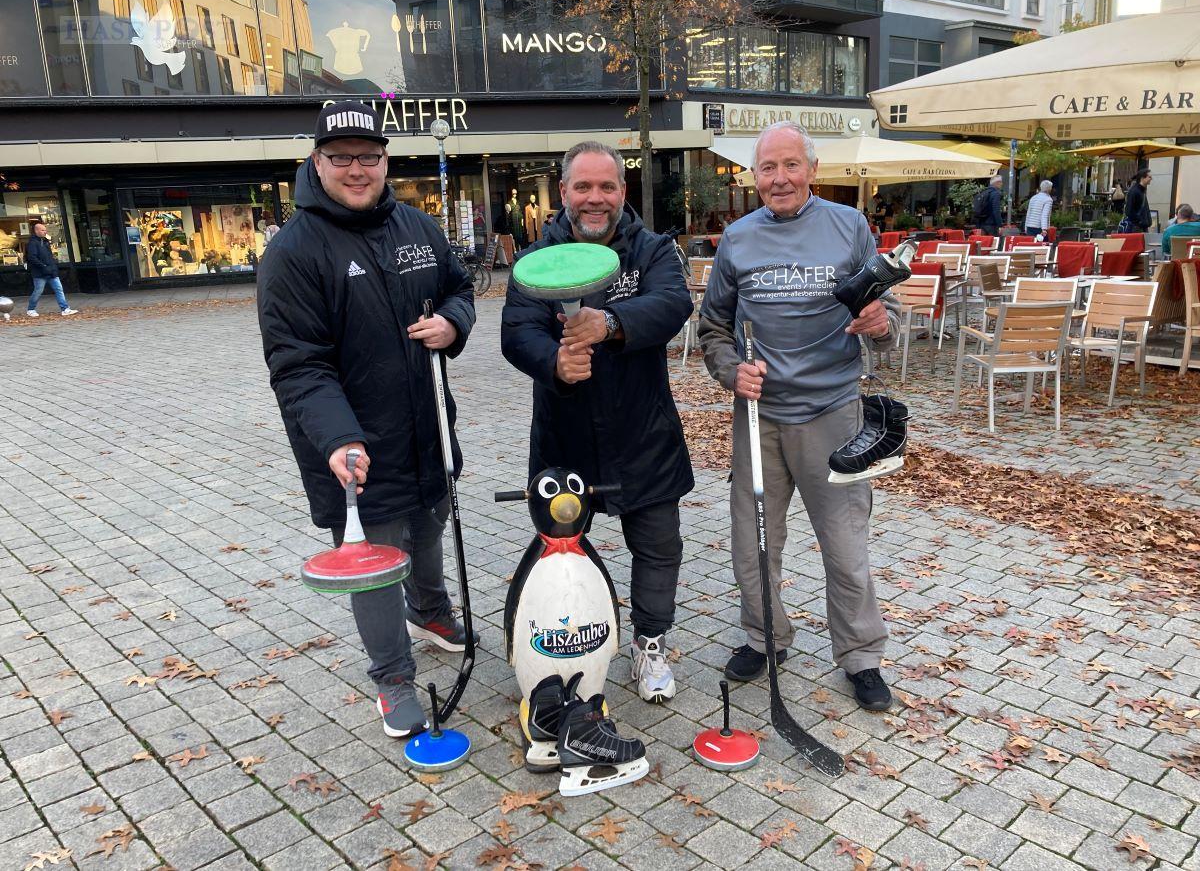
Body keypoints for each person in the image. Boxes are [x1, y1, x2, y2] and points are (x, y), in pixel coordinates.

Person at [257, 101, 477, 739]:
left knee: (430, 519)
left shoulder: (416, 226)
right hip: (354, 443)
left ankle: (431, 612)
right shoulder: (293, 252)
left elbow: (459, 285)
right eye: (342, 158)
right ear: (318, 162)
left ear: (386, 160)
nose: (358, 169)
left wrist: (453, 323)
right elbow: (298, 365)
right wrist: (338, 436)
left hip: (426, 429)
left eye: (370, 157)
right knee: (375, 557)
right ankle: (392, 677)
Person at [698, 120, 901, 712]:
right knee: (753, 543)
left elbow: (883, 312)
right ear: (754, 175)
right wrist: (729, 369)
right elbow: (713, 327)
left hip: (833, 410)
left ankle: (861, 655)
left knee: (843, 544)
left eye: (791, 165)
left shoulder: (848, 226)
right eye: (768, 168)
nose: (779, 178)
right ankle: (765, 639)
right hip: (757, 415)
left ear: (811, 170)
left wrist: (881, 324)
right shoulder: (736, 238)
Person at [501, 141, 694, 704]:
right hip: (566, 436)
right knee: (562, 549)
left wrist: (608, 323)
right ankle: (563, 643)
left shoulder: (654, 249)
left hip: (644, 431)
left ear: (622, 192)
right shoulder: (538, 259)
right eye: (582, 187)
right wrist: (555, 361)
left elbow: (672, 304)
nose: (594, 198)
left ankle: (650, 644)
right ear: (563, 192)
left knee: (658, 547)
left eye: (606, 187)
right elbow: (517, 329)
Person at [24, 222, 77, 318]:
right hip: (40, 272)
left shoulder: (45, 241)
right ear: (36, 231)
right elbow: (32, 257)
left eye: (45, 230)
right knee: (38, 291)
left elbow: (49, 256)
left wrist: (52, 267)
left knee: (58, 289)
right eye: (43, 230)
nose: (45, 232)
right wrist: (43, 266)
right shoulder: (32, 243)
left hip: (50, 270)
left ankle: (65, 308)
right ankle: (31, 309)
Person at [1121, 169, 1153, 233]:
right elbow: (1129, 211)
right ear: (1142, 178)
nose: (1151, 179)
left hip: (1141, 227)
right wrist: (1139, 221)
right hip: (1136, 227)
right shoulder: (1134, 191)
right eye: (1149, 177)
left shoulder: (1141, 191)